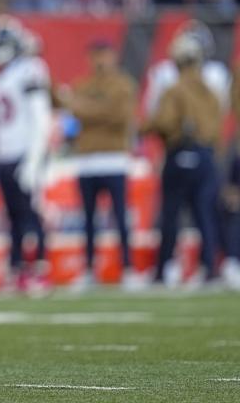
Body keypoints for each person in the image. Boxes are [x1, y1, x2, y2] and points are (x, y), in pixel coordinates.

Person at [58, 40, 140, 290]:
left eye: (104, 55)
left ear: (113, 56)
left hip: (114, 159)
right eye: (95, 56)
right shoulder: (83, 85)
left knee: (120, 217)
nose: (100, 61)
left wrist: (85, 110)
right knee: (88, 219)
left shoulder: (124, 85)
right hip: (87, 161)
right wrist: (92, 111)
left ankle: (127, 267)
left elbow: (119, 117)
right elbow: (71, 119)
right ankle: (90, 269)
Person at [143, 33, 222, 286]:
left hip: (179, 152)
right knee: (204, 215)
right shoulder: (210, 91)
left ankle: (163, 269)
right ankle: (210, 267)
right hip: (205, 154)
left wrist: (147, 128)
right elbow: (216, 123)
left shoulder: (174, 89)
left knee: (170, 215)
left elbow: (163, 121)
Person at [0, 16, 52, 295]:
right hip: (5, 154)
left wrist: (34, 160)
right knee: (12, 216)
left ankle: (39, 270)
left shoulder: (30, 69)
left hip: (25, 152)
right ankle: (17, 269)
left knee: (31, 215)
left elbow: (41, 118)